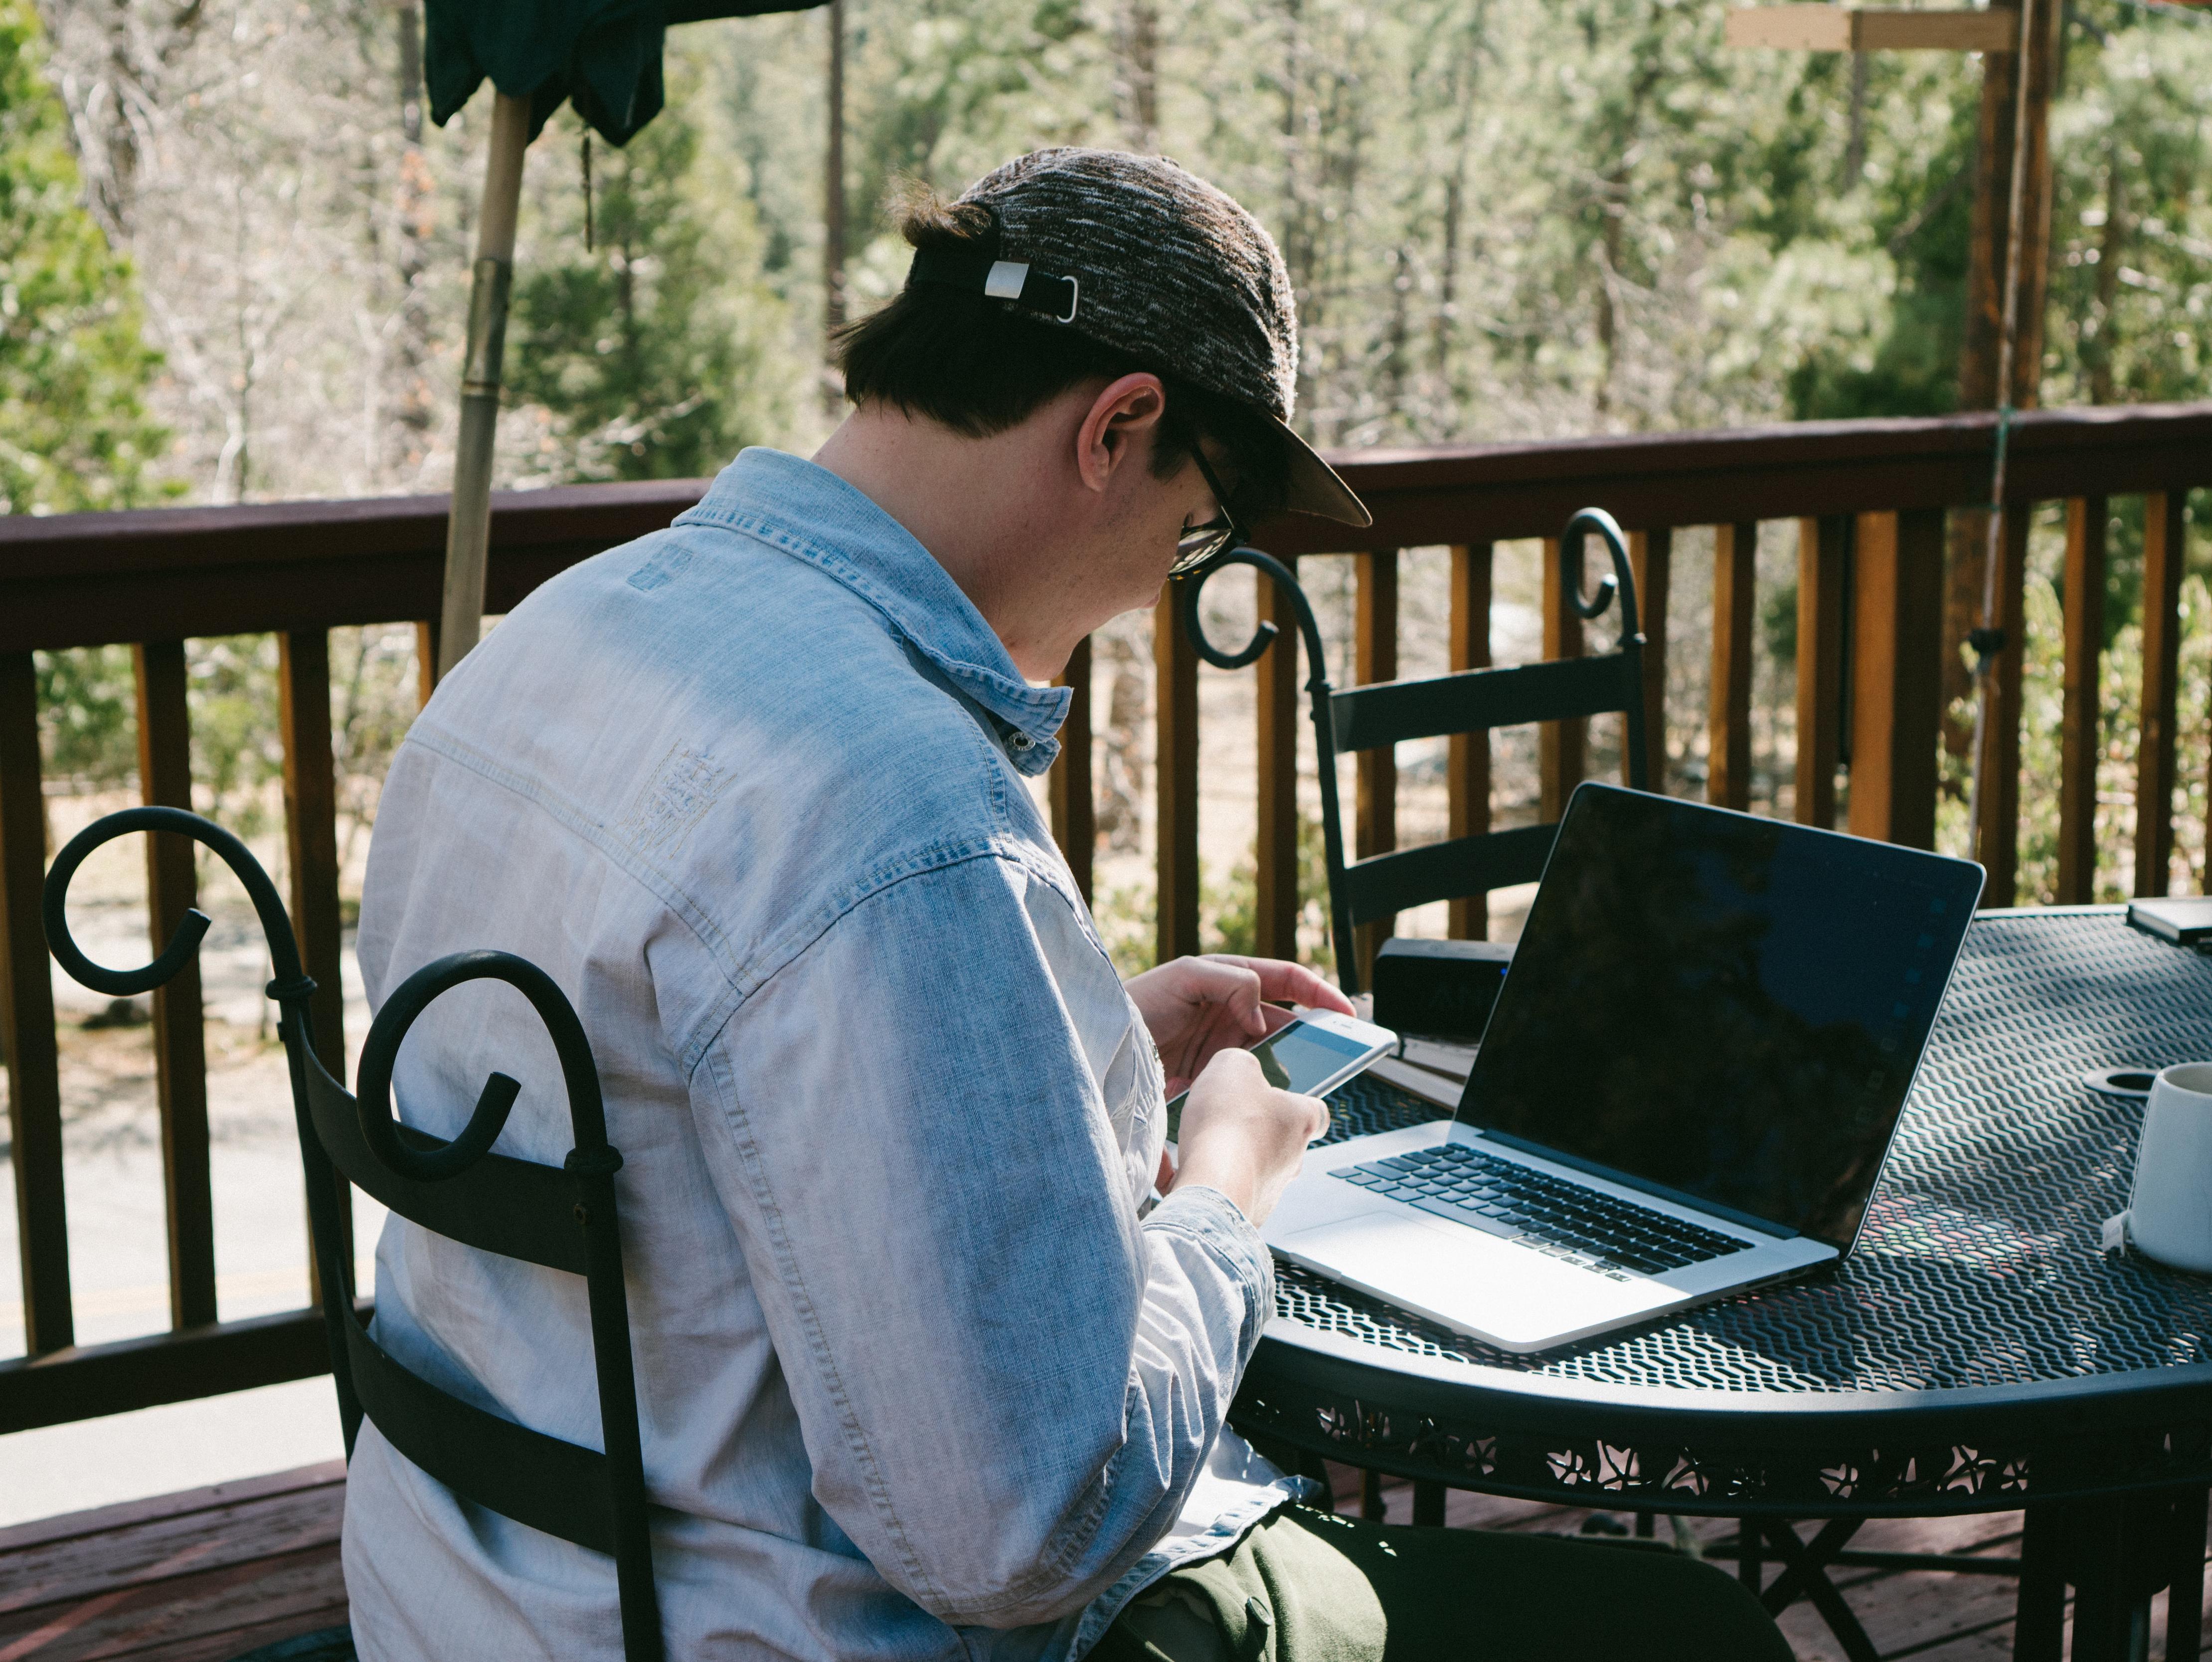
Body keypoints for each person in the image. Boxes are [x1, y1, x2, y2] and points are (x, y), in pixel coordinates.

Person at [342, 147, 1793, 1661]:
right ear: (1119, 426)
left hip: (466, 1599)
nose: (1170, 579)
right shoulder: (892, 807)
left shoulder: (556, 639)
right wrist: (1228, 1187)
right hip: (778, 1627)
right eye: (1204, 522)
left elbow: (725, 1109)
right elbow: (1030, 1519)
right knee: (1690, 1628)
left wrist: (1079, 1040)